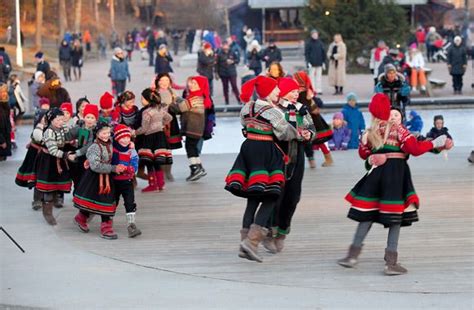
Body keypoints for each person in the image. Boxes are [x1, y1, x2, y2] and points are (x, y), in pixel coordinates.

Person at [338, 94, 450, 275]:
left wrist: (374, 156)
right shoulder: (398, 130)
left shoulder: (369, 132)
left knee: (368, 213)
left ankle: (352, 255)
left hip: (376, 175)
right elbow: (414, 149)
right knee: (394, 216)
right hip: (396, 174)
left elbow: (363, 153)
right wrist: (436, 143)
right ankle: (391, 263)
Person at [225, 76, 299, 262]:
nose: (277, 92)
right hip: (266, 151)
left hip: (249, 149)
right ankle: (252, 242)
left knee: (252, 198)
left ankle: (244, 244)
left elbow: (243, 125)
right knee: (271, 195)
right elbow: (285, 132)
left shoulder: (247, 107)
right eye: (275, 89)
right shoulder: (271, 111)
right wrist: (298, 132)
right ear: (267, 92)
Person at [263, 77, 315, 254]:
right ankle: (269, 231)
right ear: (283, 92)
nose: (296, 94)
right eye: (292, 91)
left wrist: (309, 135)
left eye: (297, 92)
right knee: (276, 195)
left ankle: (283, 232)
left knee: (293, 196)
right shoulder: (274, 110)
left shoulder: (302, 110)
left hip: (297, 156)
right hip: (277, 156)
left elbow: (312, 129)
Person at [73, 121, 127, 239]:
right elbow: (95, 166)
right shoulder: (94, 147)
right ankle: (84, 219)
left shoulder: (111, 143)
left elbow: (121, 146)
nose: (106, 135)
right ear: (97, 134)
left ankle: (104, 226)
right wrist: (113, 168)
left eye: (108, 132)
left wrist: (129, 145)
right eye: (103, 133)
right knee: (95, 201)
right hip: (95, 178)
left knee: (107, 201)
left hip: (108, 177)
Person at [35, 108, 74, 225]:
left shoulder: (62, 128)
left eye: (62, 119)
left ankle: (56, 198)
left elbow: (65, 138)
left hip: (59, 159)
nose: (61, 122)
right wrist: (67, 155)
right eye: (59, 119)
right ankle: (47, 212)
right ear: (51, 120)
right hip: (48, 161)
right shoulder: (49, 132)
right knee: (48, 186)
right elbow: (52, 150)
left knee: (57, 183)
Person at [170, 76, 210, 181]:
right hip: (196, 128)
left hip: (193, 128)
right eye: (191, 83)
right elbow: (185, 103)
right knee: (193, 148)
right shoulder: (197, 97)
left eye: (195, 84)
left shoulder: (195, 98)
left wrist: (168, 104)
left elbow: (180, 108)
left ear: (201, 86)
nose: (191, 85)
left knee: (190, 148)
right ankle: (199, 167)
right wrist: (177, 99)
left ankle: (195, 169)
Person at [134, 88, 172, 192]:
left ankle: (153, 184)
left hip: (149, 138)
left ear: (147, 100)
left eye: (142, 98)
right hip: (160, 137)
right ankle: (161, 183)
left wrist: (134, 132)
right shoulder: (160, 109)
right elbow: (169, 118)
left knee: (149, 161)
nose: (141, 100)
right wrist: (160, 125)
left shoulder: (146, 112)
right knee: (157, 161)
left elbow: (144, 129)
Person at [293, 71, 333, 168]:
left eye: (295, 78)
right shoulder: (306, 91)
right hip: (312, 118)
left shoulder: (301, 93)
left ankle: (324, 159)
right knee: (317, 141)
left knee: (315, 140)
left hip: (310, 120)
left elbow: (304, 106)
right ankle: (323, 158)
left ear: (299, 80)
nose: (293, 80)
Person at [111, 124, 141, 238]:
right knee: (113, 201)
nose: (126, 140)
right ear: (117, 139)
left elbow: (135, 165)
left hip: (127, 181)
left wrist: (129, 169)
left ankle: (131, 225)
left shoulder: (131, 151)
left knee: (130, 202)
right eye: (123, 138)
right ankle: (108, 221)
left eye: (128, 137)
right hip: (114, 180)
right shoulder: (112, 149)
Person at [155, 73, 183, 182]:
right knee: (161, 148)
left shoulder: (172, 92)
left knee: (169, 149)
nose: (164, 83)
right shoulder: (155, 93)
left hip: (171, 122)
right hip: (159, 122)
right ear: (158, 81)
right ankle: (162, 172)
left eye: (167, 80)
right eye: (162, 80)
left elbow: (181, 102)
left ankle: (168, 172)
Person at [304, 29, 326, 95]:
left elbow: (323, 53)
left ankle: (318, 89)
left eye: (316, 34)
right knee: (311, 77)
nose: (315, 35)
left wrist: (323, 61)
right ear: (311, 35)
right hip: (312, 63)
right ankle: (312, 89)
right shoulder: (308, 43)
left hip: (319, 62)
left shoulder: (320, 43)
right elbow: (306, 53)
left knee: (319, 77)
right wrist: (308, 62)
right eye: (314, 34)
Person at [0, 84, 11, 161]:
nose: (4, 94)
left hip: (5, 138)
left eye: (5, 92)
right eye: (1, 92)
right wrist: (1, 141)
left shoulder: (5, 104)